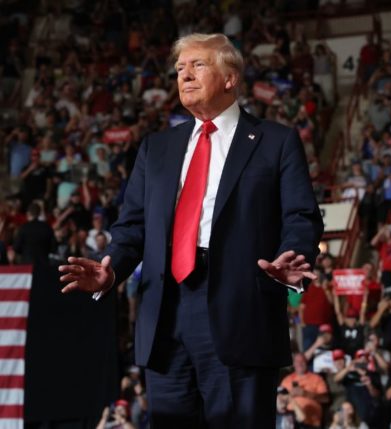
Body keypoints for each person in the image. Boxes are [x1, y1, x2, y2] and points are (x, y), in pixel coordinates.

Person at [58, 33, 324, 428]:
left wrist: (293, 256)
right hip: (164, 313)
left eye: (198, 65)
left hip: (239, 312)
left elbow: (302, 216)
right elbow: (132, 226)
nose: (185, 75)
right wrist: (111, 269)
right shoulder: (156, 147)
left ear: (230, 77)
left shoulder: (275, 141)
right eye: (180, 68)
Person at [278, 353, 330, 429]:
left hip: (311, 423)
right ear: (294, 364)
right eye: (297, 361)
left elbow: (325, 399)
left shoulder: (317, 378)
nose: (300, 363)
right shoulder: (287, 380)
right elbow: (279, 399)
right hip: (291, 422)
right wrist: (290, 396)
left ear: (306, 363)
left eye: (302, 361)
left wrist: (305, 393)